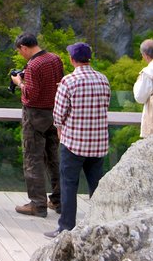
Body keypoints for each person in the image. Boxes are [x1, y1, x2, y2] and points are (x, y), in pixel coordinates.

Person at [46, 42, 111, 238]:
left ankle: (66, 227)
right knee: (97, 185)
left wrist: (59, 130)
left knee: (69, 185)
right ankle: (99, 224)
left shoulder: (68, 81)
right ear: (89, 59)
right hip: (98, 142)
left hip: (74, 141)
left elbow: (58, 114)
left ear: (72, 60)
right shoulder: (103, 79)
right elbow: (105, 105)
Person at [11, 32, 64, 218]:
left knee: (33, 158)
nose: (21, 55)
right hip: (54, 113)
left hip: (35, 115)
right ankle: (59, 199)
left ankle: (37, 204)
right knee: (54, 158)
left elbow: (30, 94)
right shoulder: (55, 59)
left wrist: (19, 83)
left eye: (20, 51)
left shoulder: (34, 65)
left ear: (24, 47)